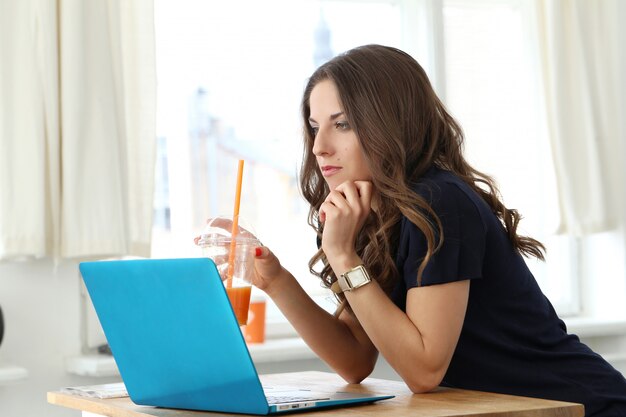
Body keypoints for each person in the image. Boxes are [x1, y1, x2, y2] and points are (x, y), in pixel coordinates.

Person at [203, 44, 626, 416]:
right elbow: (354, 358)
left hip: (578, 407)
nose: (319, 146)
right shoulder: (364, 213)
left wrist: (343, 256)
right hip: (498, 409)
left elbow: (424, 369)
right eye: (315, 127)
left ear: (390, 122)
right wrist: (275, 279)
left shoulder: (440, 202)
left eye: (343, 124)